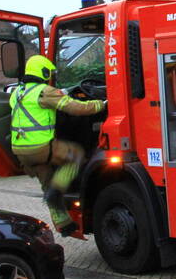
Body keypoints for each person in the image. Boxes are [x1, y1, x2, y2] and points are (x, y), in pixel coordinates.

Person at [9, 55, 105, 236]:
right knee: (76, 155)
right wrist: (100, 104)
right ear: (43, 72)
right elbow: (75, 107)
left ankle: (65, 225)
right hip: (41, 147)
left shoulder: (16, 93)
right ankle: (57, 189)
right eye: (49, 72)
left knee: (46, 182)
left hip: (20, 151)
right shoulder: (44, 92)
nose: (50, 76)